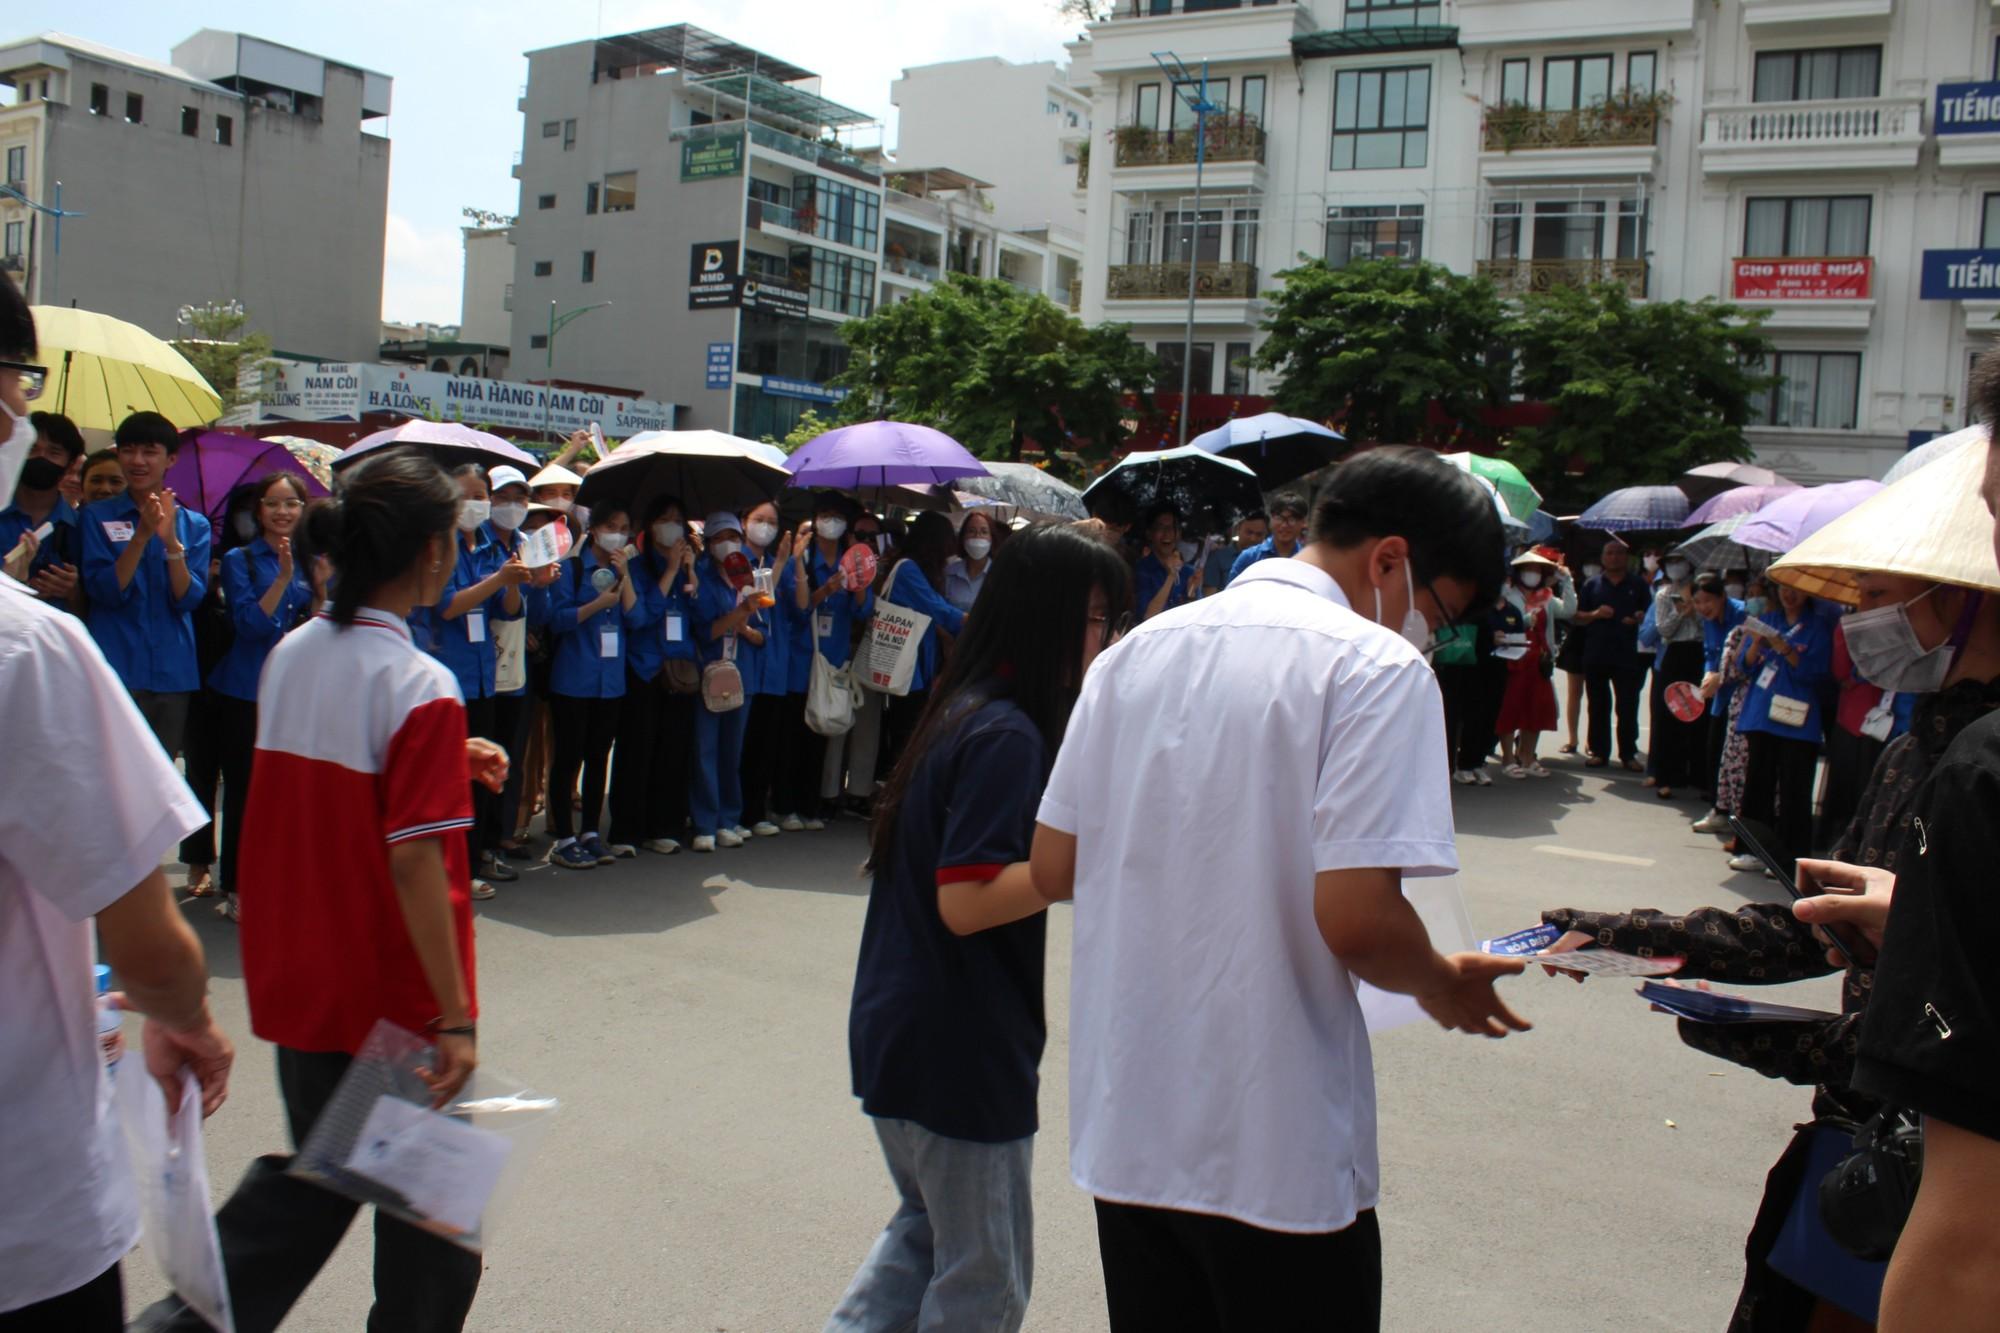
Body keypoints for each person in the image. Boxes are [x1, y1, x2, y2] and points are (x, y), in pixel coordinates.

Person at [1033, 447, 1527, 1330]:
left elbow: (1053, 867)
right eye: (1439, 610)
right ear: (1389, 559)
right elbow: (1360, 919)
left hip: (1133, 1129)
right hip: (1276, 1144)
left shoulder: (1135, 653)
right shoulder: (1375, 669)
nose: (1429, 634)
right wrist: (1441, 981)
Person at [149, 447, 498, 1333]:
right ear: (429, 551)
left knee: (351, 1183)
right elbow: (417, 862)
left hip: (301, 976)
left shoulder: (298, 652)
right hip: (384, 999)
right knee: (410, 1218)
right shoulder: (421, 684)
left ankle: (188, 1317)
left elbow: (327, 778)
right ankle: (182, 1321)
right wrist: (453, 1016)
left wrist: (445, 758)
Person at [826, 525, 1130, 1333]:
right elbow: (968, 898)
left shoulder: (968, 709)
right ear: (1049, 617)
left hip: (904, 1032)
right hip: (958, 1050)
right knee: (984, 1282)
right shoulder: (1007, 734)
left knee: (924, 1242)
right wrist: (1076, 863)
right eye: (1098, 617)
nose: (1107, 638)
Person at [0, 291, 234, 1331]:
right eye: (20, 388)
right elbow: (147, 943)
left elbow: (185, 597)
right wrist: (181, 1012)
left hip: (158, 674)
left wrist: (167, 541)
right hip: (24, 1219)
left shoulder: (183, 521)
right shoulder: (27, 651)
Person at [1847, 403, 2000, 1330]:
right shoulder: (1920, 748)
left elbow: (1971, 1229)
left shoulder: (1981, 773)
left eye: (1881, 594)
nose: (1864, 620)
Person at [415, 464, 531, 896]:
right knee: (451, 778)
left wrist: (514, 582)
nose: (476, 503)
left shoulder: (489, 545)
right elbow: (446, 607)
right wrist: (499, 579)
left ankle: (478, 856)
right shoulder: (441, 547)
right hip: (450, 678)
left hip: (487, 676)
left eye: (481, 494)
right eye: (465, 495)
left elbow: (508, 610)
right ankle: (453, 867)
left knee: (482, 776)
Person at [205, 472, 314, 923]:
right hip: (245, 690)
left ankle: (279, 880)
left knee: (289, 792)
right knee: (245, 792)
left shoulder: (316, 559)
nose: (283, 512)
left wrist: (317, 582)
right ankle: (236, 885)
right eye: (273, 504)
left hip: (297, 690)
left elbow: (325, 617)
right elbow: (250, 625)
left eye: (292, 503)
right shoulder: (239, 559)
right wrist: (283, 577)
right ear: (259, 510)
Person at [79, 411, 212, 755]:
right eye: (128, 450)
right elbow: (105, 591)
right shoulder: (96, 516)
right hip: (115, 665)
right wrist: (141, 536)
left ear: (170, 459)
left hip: (172, 671)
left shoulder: (194, 525)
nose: (137, 461)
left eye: (149, 451)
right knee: (110, 772)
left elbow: (188, 599)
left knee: (160, 775)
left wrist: (170, 543)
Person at [540, 505, 640, 870]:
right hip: (574, 678)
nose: (617, 533)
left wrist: (625, 577)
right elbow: (557, 620)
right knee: (568, 759)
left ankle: (590, 833)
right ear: (594, 529)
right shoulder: (572, 567)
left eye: (624, 527)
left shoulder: (623, 569)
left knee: (600, 757)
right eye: (611, 526)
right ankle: (564, 837)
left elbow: (636, 617)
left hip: (610, 682)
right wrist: (597, 604)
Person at [607, 494, 698, 856]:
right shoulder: (638, 565)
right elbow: (641, 617)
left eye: (679, 519)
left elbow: (700, 611)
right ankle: (627, 830)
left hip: (679, 668)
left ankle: (665, 825)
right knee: (636, 750)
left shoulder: (691, 563)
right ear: (650, 525)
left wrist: (690, 571)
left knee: (673, 751)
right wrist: (671, 571)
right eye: (665, 518)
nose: (672, 525)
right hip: (643, 668)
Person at [783, 494, 870, 830]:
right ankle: (786, 805)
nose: (829, 522)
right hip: (801, 658)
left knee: (821, 733)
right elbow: (798, 609)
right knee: (793, 733)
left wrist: (859, 582)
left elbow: (863, 610)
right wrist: (828, 589)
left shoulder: (853, 560)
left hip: (833, 661)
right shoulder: (801, 560)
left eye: (836, 516)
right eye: (824, 515)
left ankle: (810, 805)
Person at [1732, 581, 1832, 868]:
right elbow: (1744, 667)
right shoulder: (1766, 620)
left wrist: (1786, 649)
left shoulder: (1819, 626)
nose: (1789, 594)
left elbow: (1817, 673)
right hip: (1762, 713)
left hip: (1798, 718)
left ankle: (1789, 857)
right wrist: (1753, 643)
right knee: (1757, 786)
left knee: (1795, 789)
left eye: (1796, 588)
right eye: (1783, 588)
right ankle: (1751, 850)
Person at [690, 511, 764, 852]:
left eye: (732, 537)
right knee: (706, 749)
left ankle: (728, 819)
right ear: (708, 544)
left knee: (732, 750)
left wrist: (747, 625)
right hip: (710, 672)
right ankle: (704, 821)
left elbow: (764, 633)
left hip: (742, 672)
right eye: (719, 539)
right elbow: (706, 631)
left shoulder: (753, 578)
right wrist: (737, 615)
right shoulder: (701, 580)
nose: (727, 545)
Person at [877, 511, 969, 772]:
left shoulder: (918, 568)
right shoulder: (907, 568)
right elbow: (936, 608)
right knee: (906, 734)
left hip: (918, 665)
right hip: (906, 666)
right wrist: (971, 621)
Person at [736, 499, 793, 839]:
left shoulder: (772, 562)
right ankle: (735, 810)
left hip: (772, 666)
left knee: (763, 743)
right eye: (759, 519)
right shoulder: (735, 560)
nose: (765, 527)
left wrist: (788, 562)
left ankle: (755, 811)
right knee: (739, 743)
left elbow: (789, 606)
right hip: (741, 662)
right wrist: (784, 562)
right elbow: (758, 599)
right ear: (745, 521)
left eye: (771, 522)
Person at [1574, 539, 1651, 771]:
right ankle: (1598, 751)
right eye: (1610, 553)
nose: (1614, 557)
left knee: (1627, 704)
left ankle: (1628, 753)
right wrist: (1595, 614)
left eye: (1619, 553)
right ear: (1603, 557)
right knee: (1597, 704)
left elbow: (1649, 614)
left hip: (1627, 654)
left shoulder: (1637, 584)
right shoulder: (1592, 584)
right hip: (1596, 652)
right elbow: (1577, 616)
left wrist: (1639, 617)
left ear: (1626, 557)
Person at [1495, 551, 1573, 778]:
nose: (1533, 574)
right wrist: (1526, 620)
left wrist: (1566, 581)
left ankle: (1527, 756)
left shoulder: (1546, 597)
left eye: (1537, 570)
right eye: (1528, 569)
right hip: (1515, 660)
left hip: (1539, 660)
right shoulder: (1509, 595)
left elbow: (1569, 610)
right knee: (1511, 709)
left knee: (1537, 709)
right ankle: (1508, 758)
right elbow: (1505, 622)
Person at [0, 408, 84, 603]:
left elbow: (89, 610)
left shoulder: (80, 526)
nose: (41, 457)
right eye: (32, 449)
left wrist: (73, 591)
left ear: (71, 464)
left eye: (54, 452)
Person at [1690, 573, 1749, 834]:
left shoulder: (1742, 615)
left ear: (1722, 597)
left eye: (1707, 601)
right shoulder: (1709, 621)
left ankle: (1736, 813)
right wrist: (1708, 673)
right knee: (1715, 751)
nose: (1703, 607)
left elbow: (1742, 659)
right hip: (1719, 696)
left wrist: (1720, 676)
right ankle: (1719, 809)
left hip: (1742, 697)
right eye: (1697, 602)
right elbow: (1710, 653)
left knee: (1737, 760)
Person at [1646, 553, 1707, 800]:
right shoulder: (1663, 594)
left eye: (1680, 561)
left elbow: (1710, 627)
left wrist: (1696, 611)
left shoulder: (1703, 592)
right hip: (1675, 653)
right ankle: (1666, 776)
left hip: (1699, 653)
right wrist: (1681, 611)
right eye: (1670, 562)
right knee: (1668, 714)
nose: (1675, 567)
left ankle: (1699, 775)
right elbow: (1663, 630)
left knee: (1699, 713)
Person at [1555, 553, 1602, 756]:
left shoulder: (1601, 584)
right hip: (1576, 641)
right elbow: (1571, 614)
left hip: (1599, 642)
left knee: (1596, 695)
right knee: (1575, 693)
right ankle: (1573, 738)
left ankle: (1593, 741)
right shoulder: (1573, 582)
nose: (1591, 567)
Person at [1133, 504, 1200, 623]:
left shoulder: (1189, 572)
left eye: (1172, 528)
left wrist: (1191, 593)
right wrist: (1170, 577)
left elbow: (1197, 618)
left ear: (1179, 533)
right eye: (1160, 528)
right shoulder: (1141, 570)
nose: (1167, 534)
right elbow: (1147, 617)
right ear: (1149, 534)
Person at [1223, 490, 1305, 586]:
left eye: (1292, 520)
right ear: (1271, 519)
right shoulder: (1250, 557)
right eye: (1279, 518)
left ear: (1302, 522)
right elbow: (1231, 593)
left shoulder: (1306, 561)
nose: (1284, 525)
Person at [944, 510, 997, 613]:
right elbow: (940, 612)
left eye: (984, 532)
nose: (977, 536)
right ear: (963, 536)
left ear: (992, 538)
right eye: (972, 531)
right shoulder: (949, 573)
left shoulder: (999, 575)